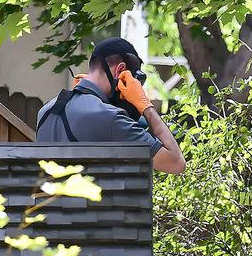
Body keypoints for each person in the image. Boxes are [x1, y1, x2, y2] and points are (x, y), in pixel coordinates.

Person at [36, 37, 185, 174]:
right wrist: (146, 106)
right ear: (120, 71)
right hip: (94, 203)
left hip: (48, 202)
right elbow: (176, 163)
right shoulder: (109, 118)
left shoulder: (46, 111)